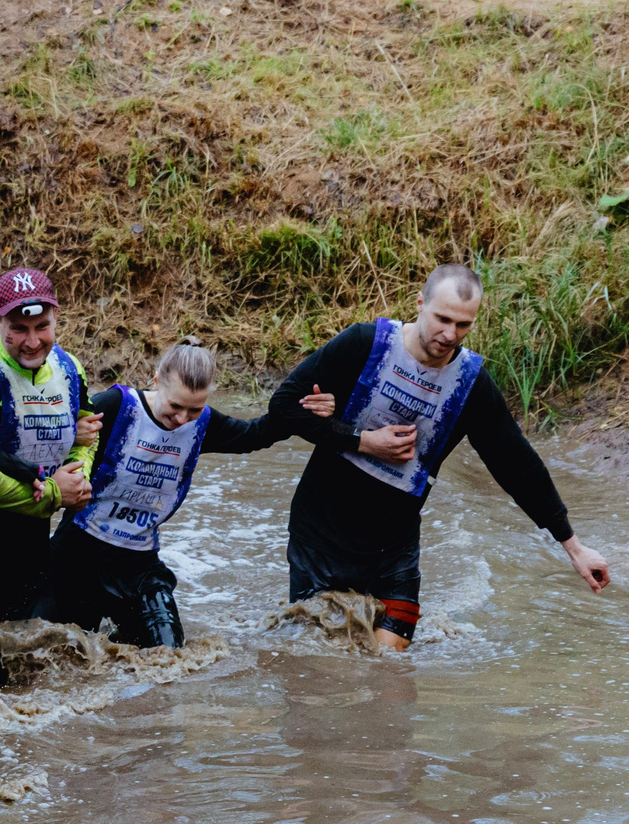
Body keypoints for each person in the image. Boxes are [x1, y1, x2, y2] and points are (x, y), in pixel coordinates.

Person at [261, 264, 611, 650]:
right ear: (420, 303)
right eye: (442, 319)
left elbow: (515, 463)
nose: (450, 335)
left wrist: (573, 546)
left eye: (463, 325)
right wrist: (362, 440)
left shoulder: (470, 383)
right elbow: (283, 407)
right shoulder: (364, 344)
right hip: (321, 533)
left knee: (389, 676)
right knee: (318, 667)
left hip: (393, 546)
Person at [47, 339, 269, 649]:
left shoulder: (202, 424)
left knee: (170, 656)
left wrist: (308, 409)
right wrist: (70, 436)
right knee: (59, 655)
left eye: (194, 409)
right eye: (175, 406)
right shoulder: (116, 406)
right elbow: (47, 443)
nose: (182, 419)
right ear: (156, 380)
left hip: (138, 565)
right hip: (77, 555)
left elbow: (255, 435)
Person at [0, 267, 101, 689]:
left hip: (31, 548)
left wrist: (78, 478)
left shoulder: (69, 368)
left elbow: (87, 432)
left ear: (56, 318)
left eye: (42, 327)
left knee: (38, 685)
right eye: (18, 329)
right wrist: (53, 494)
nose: (32, 341)